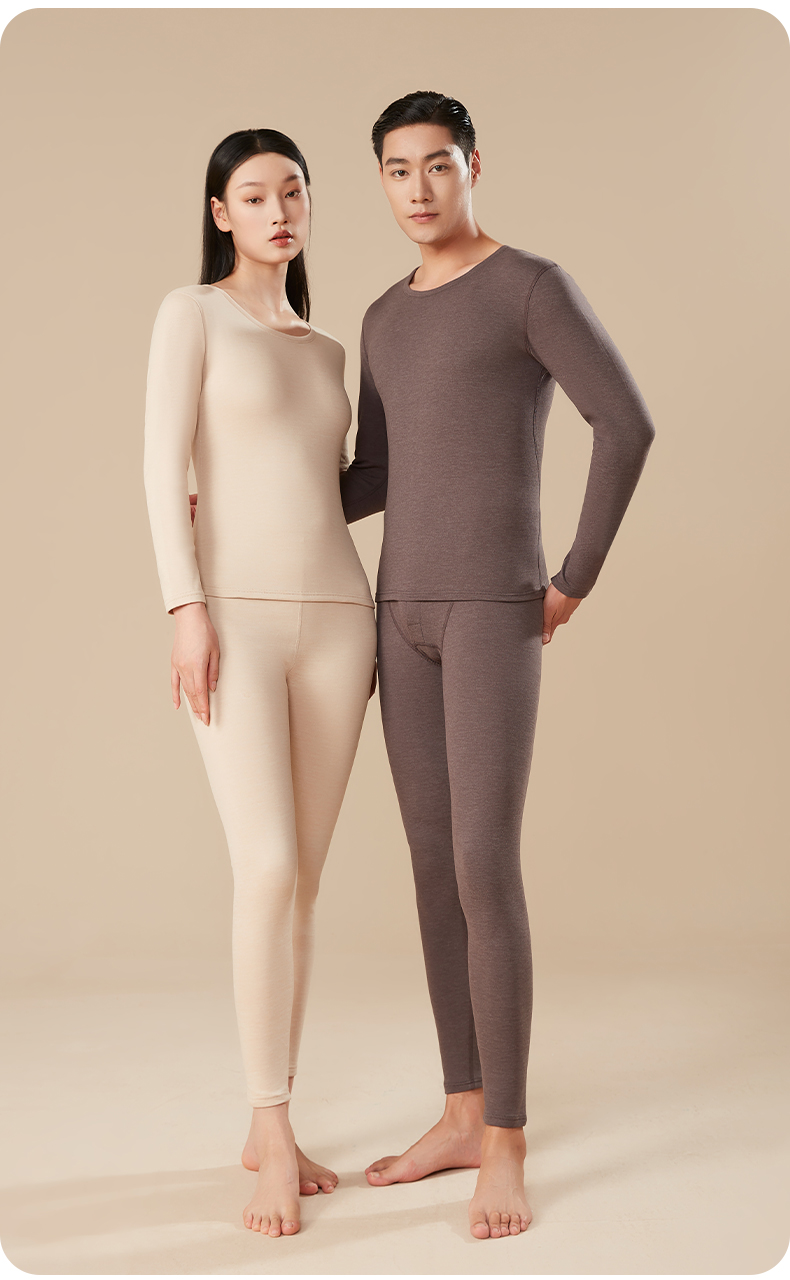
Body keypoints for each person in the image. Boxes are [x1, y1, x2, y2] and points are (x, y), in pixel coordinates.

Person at [340, 91, 656, 1241]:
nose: (417, 187)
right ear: (380, 182)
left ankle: (508, 1135)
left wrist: (571, 577)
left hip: (490, 608)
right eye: (396, 169)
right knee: (431, 865)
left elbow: (625, 423)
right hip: (400, 613)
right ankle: (461, 1109)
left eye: (437, 164)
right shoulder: (381, 317)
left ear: (473, 165)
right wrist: (240, 492)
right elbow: (377, 473)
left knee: (482, 861)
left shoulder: (529, 286)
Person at [144, 128, 377, 1238]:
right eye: (254, 195)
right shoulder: (190, 314)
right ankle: (273, 1129)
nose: (279, 211)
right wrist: (184, 607)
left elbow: (332, 486)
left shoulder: (329, 349)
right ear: (220, 212)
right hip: (232, 618)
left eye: (294, 191)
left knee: (306, 883)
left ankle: (267, 1118)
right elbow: (160, 469)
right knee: (267, 864)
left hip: (340, 622)